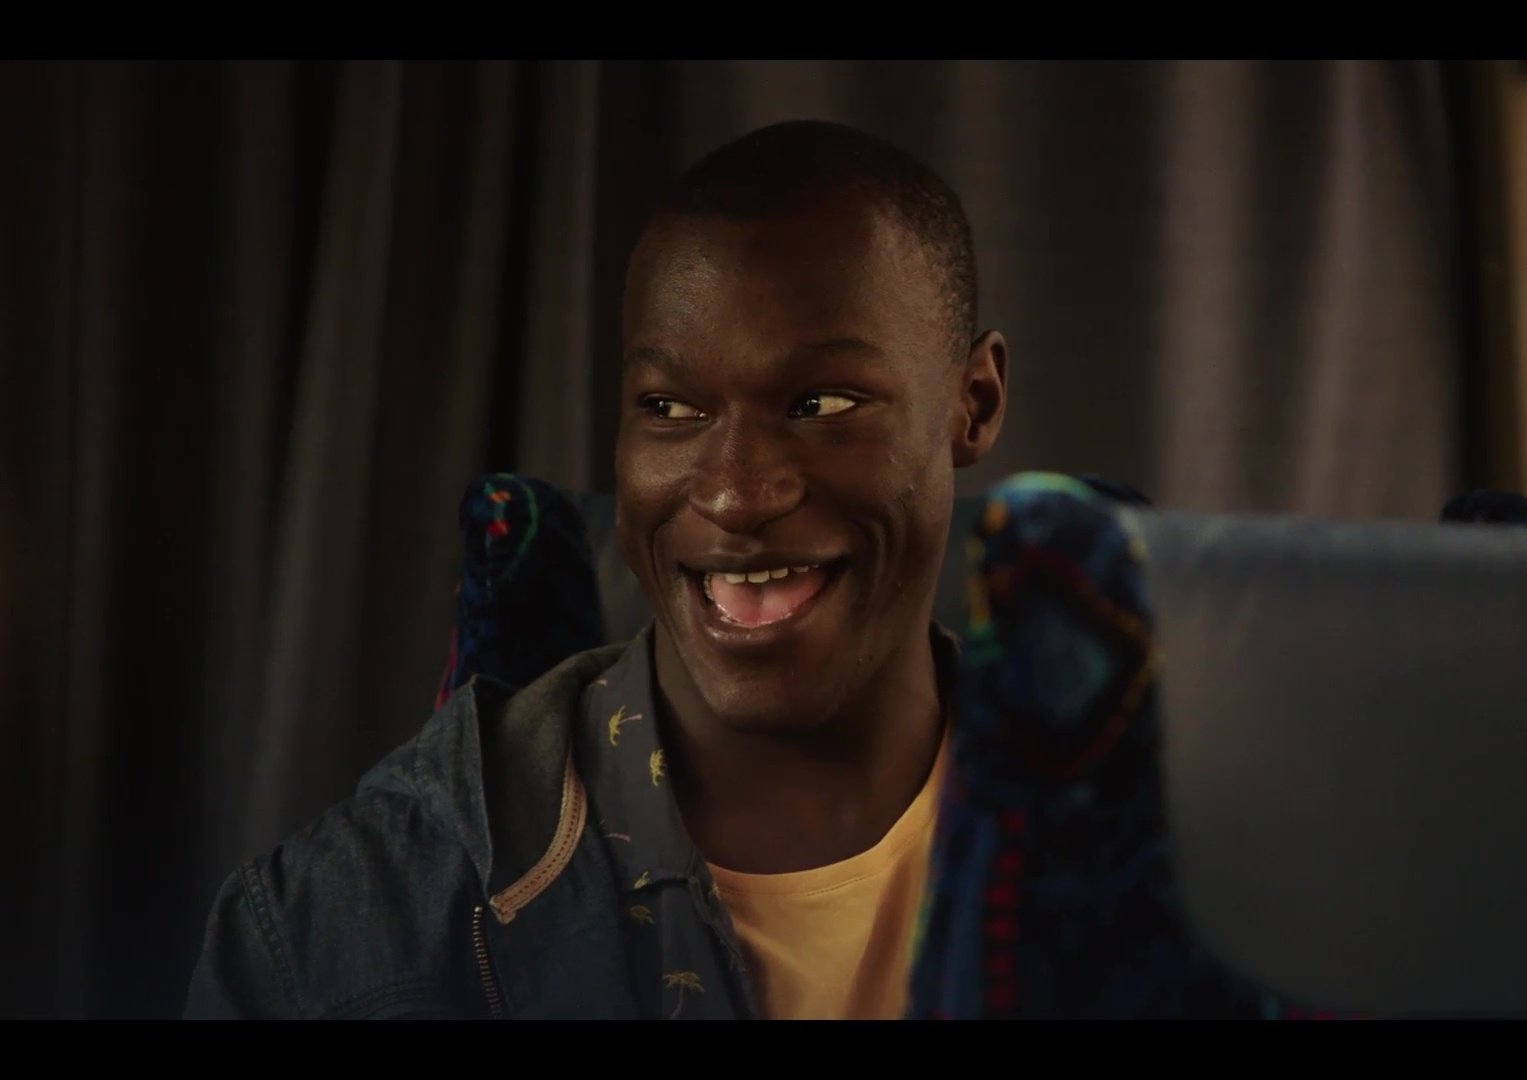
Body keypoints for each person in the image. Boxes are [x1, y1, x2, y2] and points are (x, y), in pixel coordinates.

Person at [183, 119, 1011, 1020]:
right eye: (671, 408)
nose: (734, 494)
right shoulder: (336, 933)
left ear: (973, 404)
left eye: (820, 403)